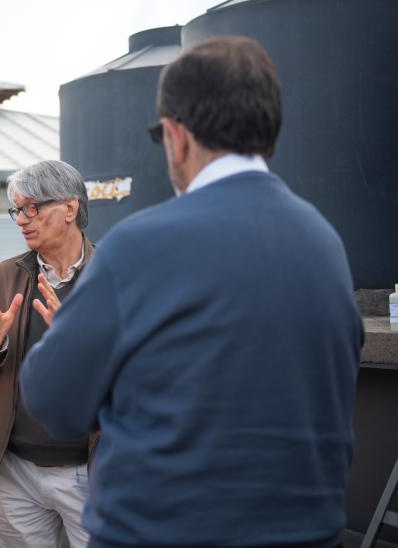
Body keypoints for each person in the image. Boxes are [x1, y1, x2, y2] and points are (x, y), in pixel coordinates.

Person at [20, 36, 364, 548]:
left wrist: (81, 347)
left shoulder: (141, 243)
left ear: (177, 135)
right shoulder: (325, 242)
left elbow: (52, 398)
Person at [0, 160, 96, 548]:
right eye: (17, 210)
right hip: (16, 468)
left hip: (91, 470)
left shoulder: (113, 274)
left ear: (70, 208)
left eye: (33, 208)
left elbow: (139, 375)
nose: (22, 219)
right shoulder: (5, 276)